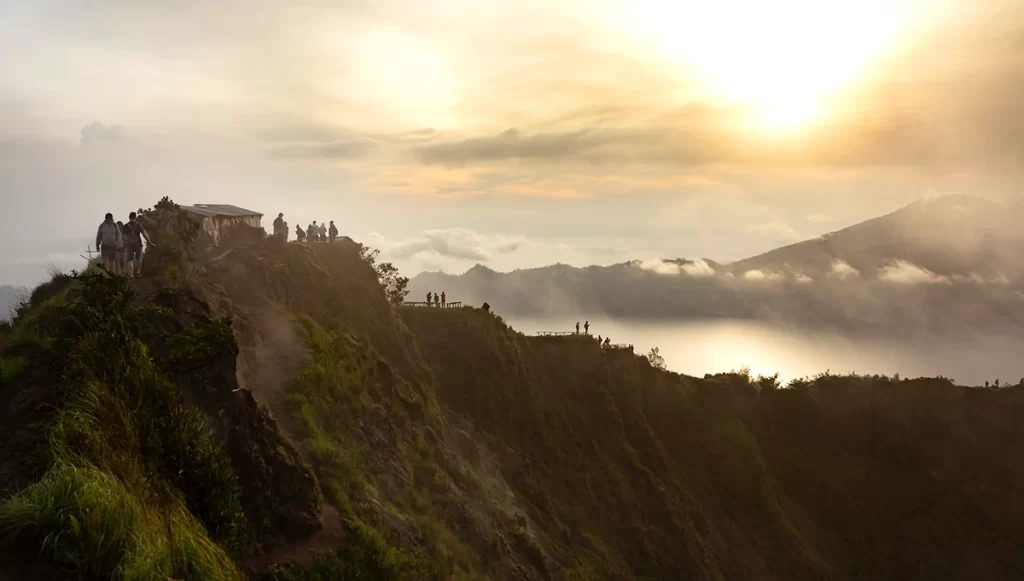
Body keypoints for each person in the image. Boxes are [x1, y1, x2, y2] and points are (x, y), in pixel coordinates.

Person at [123, 211, 153, 279]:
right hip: (138, 244)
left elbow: (124, 237)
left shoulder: (125, 226)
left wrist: (126, 244)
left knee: (130, 260)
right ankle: (138, 272)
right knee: (138, 258)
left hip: (129, 245)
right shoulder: (138, 225)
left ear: (129, 217)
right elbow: (144, 234)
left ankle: (131, 275)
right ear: (135, 217)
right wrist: (150, 242)